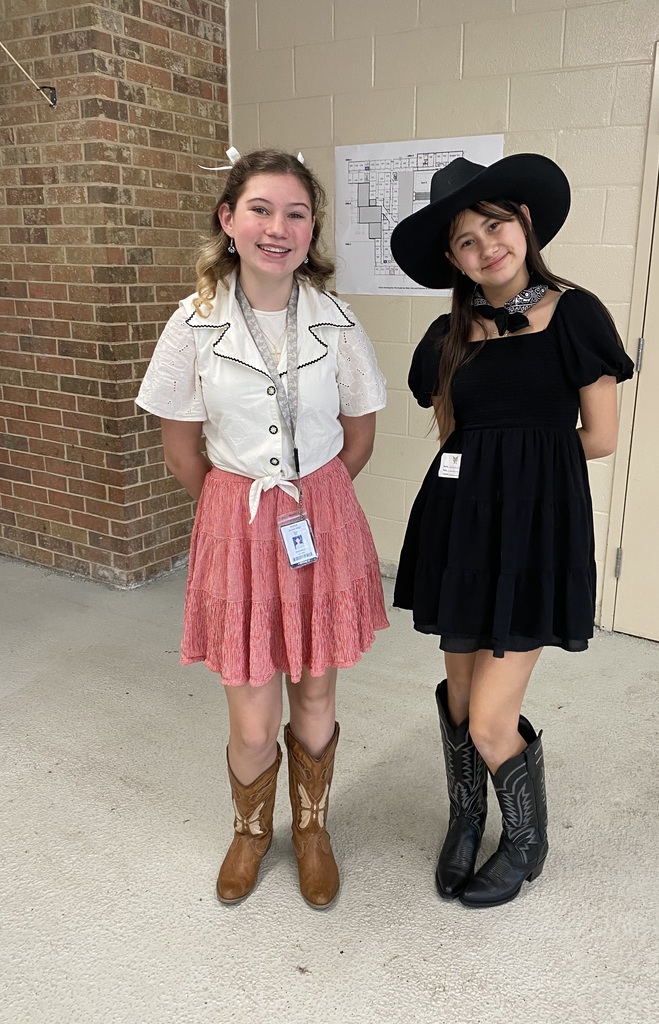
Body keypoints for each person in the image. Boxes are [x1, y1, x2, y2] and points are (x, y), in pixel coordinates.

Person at [137, 148, 389, 909]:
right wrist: (234, 511)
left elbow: (360, 436)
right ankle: (251, 832)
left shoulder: (337, 322)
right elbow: (181, 448)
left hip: (320, 513)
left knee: (315, 696)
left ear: (311, 231)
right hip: (236, 519)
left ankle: (311, 828)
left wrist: (313, 501)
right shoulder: (193, 323)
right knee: (252, 713)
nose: (277, 228)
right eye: (260, 210)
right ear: (228, 219)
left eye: (296, 213)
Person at [389, 154, 634, 909]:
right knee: (460, 700)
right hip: (460, 530)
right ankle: (467, 820)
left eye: (495, 225)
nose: (486, 246)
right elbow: (453, 433)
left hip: (533, 535)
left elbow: (599, 437)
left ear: (524, 224)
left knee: (493, 720)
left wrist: (521, 478)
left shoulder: (576, 313)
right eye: (465, 240)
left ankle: (526, 839)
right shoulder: (448, 333)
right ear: (453, 260)